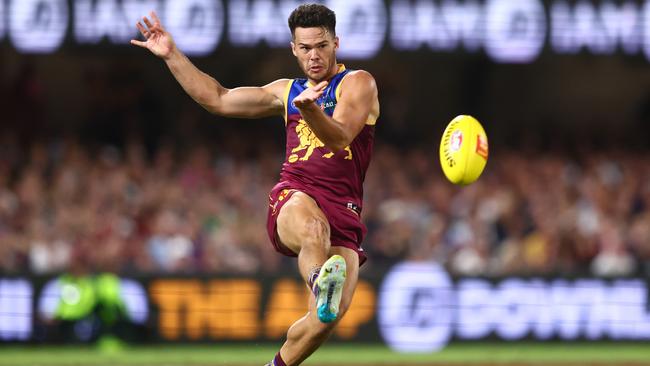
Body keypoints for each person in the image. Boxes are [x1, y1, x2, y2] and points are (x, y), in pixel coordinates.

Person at [131, 4, 379, 366]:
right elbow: (217, 98)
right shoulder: (286, 91)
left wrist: (310, 110)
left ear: (336, 43)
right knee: (313, 229)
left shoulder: (358, 83)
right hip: (296, 195)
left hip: (345, 210)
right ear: (294, 49)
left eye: (322, 46)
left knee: (325, 320)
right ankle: (318, 279)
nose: (314, 55)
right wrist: (172, 55)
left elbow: (340, 138)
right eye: (305, 48)